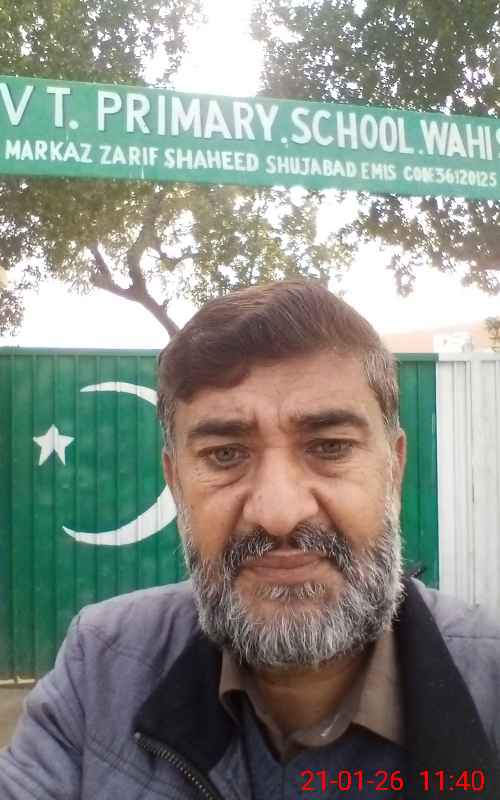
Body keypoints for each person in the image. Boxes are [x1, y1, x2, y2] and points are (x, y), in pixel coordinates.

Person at [1, 279, 499, 799]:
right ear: (176, 482)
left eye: (330, 447)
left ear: (392, 469)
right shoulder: (101, 664)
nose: (279, 515)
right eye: (225, 455)